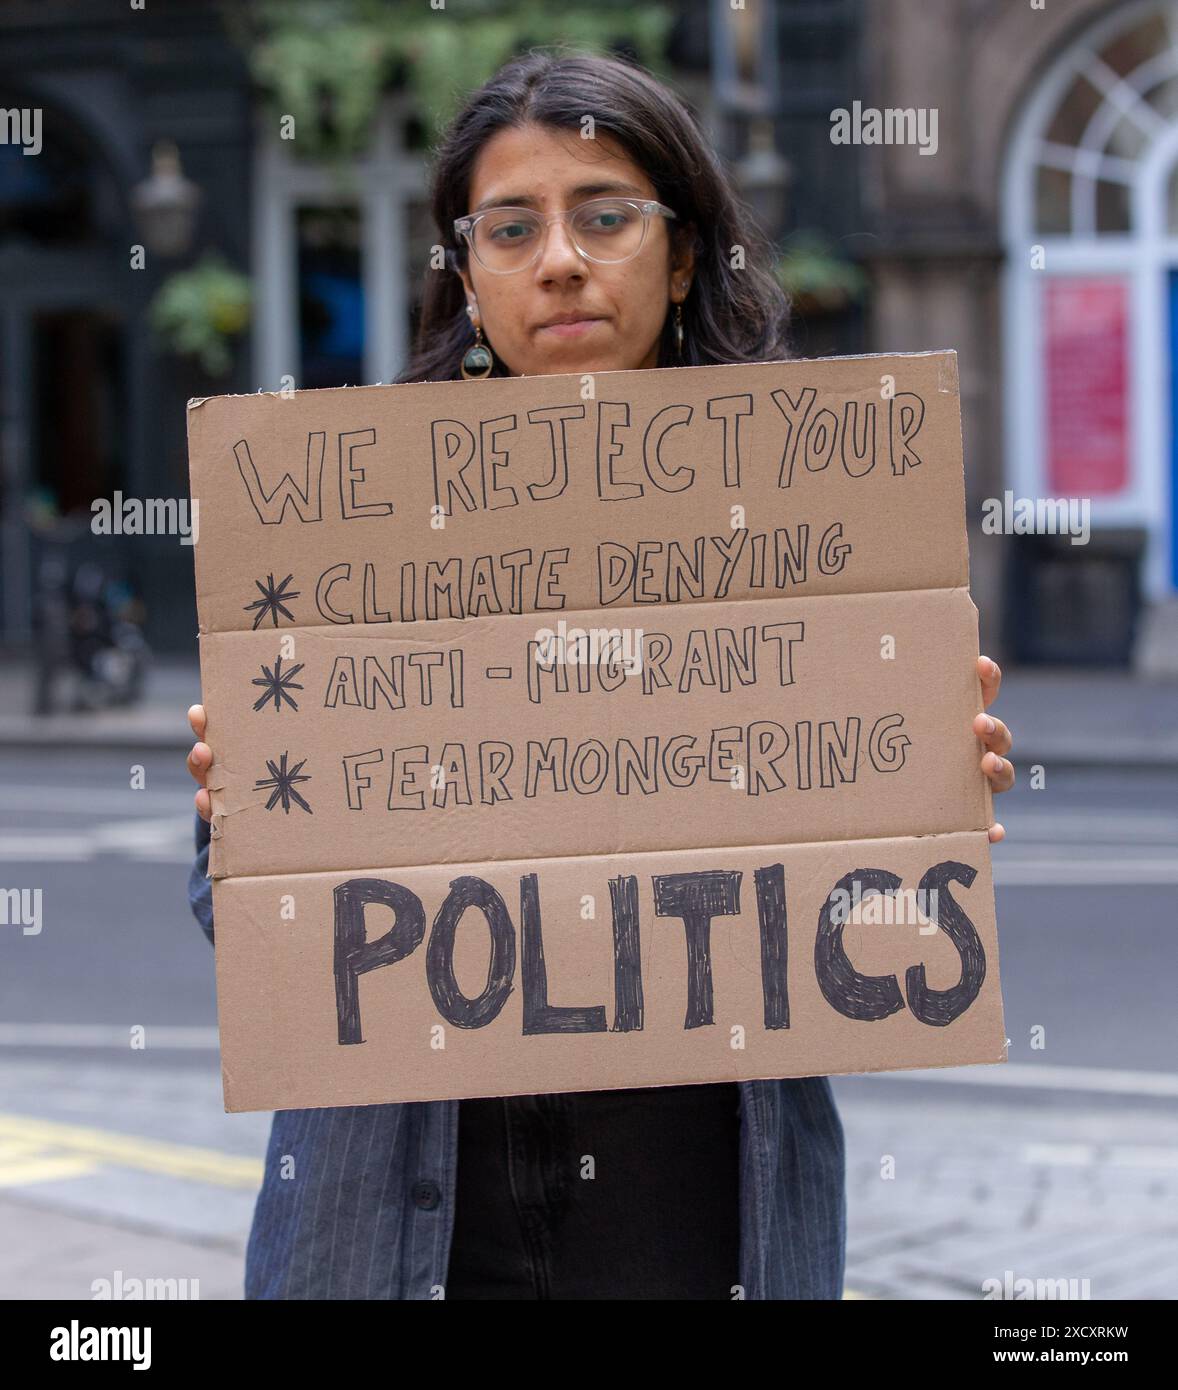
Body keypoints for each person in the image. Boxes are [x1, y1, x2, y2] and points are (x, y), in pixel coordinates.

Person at [186, 48, 1017, 1300]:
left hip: (687, 1197)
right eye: (509, 228)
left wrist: (919, 803)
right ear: (465, 273)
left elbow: (875, 935)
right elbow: (239, 924)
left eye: (605, 215)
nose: (558, 259)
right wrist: (236, 820)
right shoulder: (348, 521)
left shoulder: (808, 518)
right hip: (401, 1206)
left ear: (682, 254)